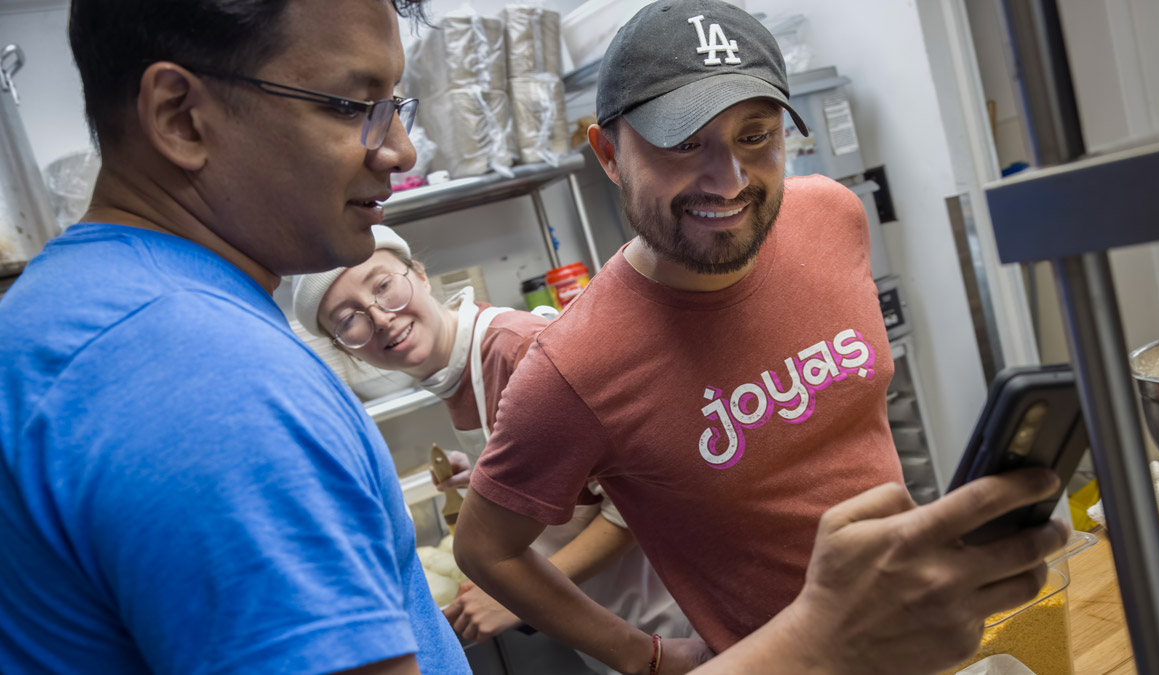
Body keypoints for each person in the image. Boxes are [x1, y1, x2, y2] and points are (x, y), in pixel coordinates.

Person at [452, 1, 1071, 674]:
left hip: (926, 639)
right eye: (685, 143)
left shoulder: (832, 215)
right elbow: (487, 548)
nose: (730, 181)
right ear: (607, 153)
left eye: (755, 135)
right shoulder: (572, 368)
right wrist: (644, 657)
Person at [0, 1, 470, 673]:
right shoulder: (202, 378)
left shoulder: (80, 308)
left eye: (397, 105)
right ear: (180, 118)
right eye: (350, 105)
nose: (400, 148)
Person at [290, 225, 694, 672]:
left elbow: (636, 508)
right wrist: (487, 472)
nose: (380, 318)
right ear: (344, 349)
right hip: (624, 634)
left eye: (383, 286)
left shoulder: (519, 352)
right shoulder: (455, 371)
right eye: (348, 320)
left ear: (420, 275)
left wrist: (517, 598)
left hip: (677, 626)